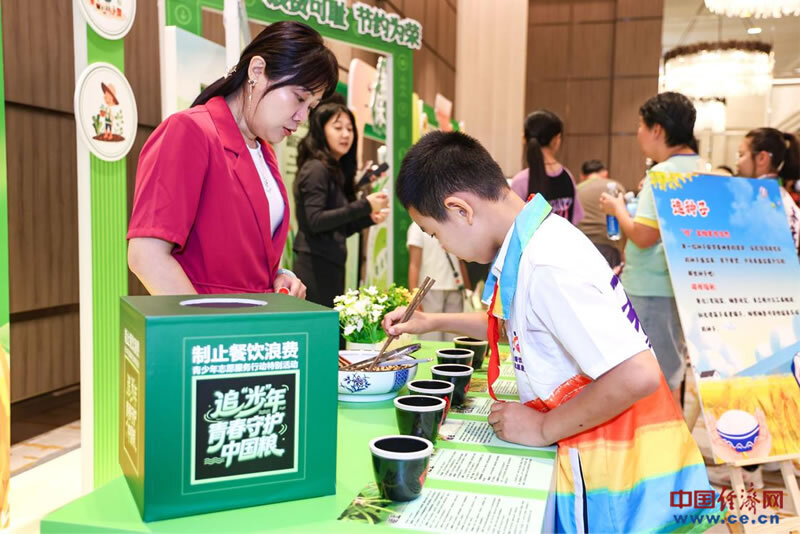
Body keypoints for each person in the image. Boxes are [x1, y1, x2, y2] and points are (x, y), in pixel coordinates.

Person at [383, 131, 712, 532]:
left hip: (622, 471)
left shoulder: (546, 264)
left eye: (435, 233)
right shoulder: (535, 240)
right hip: (613, 453)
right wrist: (431, 321)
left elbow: (636, 374)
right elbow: (521, 324)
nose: (443, 246)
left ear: (460, 210)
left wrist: (542, 428)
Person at [128, 22, 339, 296]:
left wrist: (278, 276)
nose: (302, 117)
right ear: (257, 71)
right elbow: (146, 255)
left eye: (311, 107)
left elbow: (241, 255)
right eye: (299, 98)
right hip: (211, 320)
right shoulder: (190, 131)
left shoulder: (265, 152)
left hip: (253, 319)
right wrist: (205, 322)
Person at [600, 92, 705, 406]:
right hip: (684, 285)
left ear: (657, 129)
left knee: (650, 375)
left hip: (650, 286)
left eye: (640, 126)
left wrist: (618, 208)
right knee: (671, 367)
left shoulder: (662, 175)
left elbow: (643, 236)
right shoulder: (702, 169)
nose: (638, 134)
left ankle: (658, 432)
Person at [292, 101, 389, 307]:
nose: (345, 134)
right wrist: (365, 206)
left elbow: (336, 229)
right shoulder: (316, 169)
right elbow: (315, 221)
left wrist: (368, 219)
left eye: (350, 129)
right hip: (314, 266)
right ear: (321, 131)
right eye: (338, 128)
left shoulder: (334, 170)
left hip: (330, 265)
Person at [510, 110, 583, 225]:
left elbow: (511, 224)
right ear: (556, 140)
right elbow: (575, 221)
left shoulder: (521, 181)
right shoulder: (567, 176)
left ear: (524, 138)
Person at [735, 127, 800, 256]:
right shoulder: (787, 202)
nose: (737, 163)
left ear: (762, 158)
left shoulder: (759, 202)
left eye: (741, 155)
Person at [407, 222, 471, 341]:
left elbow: (460, 260)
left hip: (455, 287)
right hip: (429, 289)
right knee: (430, 334)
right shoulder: (417, 226)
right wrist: (414, 297)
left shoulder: (451, 222)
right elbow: (414, 264)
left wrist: (467, 289)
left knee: (454, 334)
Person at [575, 160, 625, 268]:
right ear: (605, 173)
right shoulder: (616, 187)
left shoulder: (576, 190)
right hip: (609, 245)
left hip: (580, 246)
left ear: (582, 176)